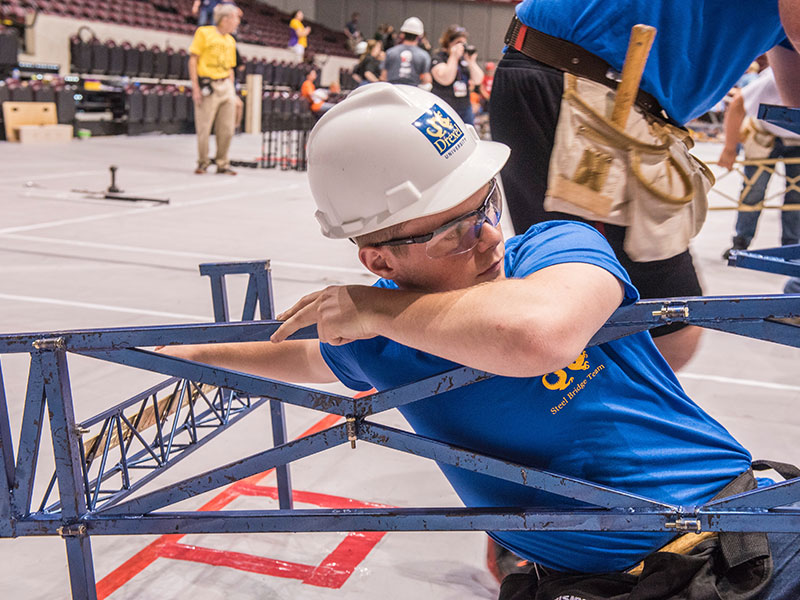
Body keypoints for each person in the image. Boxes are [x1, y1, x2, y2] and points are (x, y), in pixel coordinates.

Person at [163, 84, 799, 600]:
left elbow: (537, 336)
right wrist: (183, 357)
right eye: (456, 229)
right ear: (379, 257)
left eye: (487, 204)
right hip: (595, 585)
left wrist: (375, 311)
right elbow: (300, 355)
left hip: (744, 540)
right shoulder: (382, 336)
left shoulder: (557, 251)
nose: (492, 234)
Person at [490, 0, 797, 372]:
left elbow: (794, 95)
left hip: (593, 87)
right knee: (631, 316)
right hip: (584, 87)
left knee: (654, 324)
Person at [718, 67, 800, 259]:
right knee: (753, 190)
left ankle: (791, 248)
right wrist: (730, 148)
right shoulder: (775, 79)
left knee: (796, 196)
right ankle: (741, 242)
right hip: (765, 134)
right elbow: (738, 104)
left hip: (797, 140)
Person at [188, 2, 240, 175]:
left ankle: (222, 163)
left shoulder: (231, 41)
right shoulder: (204, 33)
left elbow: (231, 68)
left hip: (226, 85)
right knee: (204, 127)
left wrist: (233, 92)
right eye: (235, 18)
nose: (237, 22)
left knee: (227, 128)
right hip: (207, 85)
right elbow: (193, 59)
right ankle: (203, 162)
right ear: (225, 19)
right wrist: (195, 87)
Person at [430, 25, 484, 125]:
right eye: (458, 43)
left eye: (463, 43)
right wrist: (453, 57)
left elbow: (478, 80)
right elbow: (446, 79)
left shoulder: (463, 59)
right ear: (448, 43)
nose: (461, 46)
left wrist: (471, 61)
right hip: (444, 108)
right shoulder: (438, 58)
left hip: (464, 107)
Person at [381, 17, 431, 87]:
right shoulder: (423, 55)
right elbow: (427, 80)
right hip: (413, 93)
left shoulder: (390, 52)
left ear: (402, 34)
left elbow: (383, 77)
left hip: (392, 92)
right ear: (419, 36)